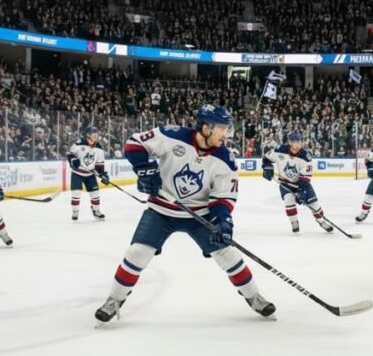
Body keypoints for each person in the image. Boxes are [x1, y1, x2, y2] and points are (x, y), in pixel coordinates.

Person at [94, 106, 275, 324]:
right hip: (161, 209)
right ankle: (115, 299)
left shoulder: (225, 159)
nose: (226, 134)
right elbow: (134, 143)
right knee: (137, 252)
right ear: (206, 128)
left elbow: (224, 197)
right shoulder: (172, 136)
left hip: (200, 215)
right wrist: (144, 168)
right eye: (222, 129)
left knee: (228, 255)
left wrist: (222, 221)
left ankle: (254, 297)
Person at [262, 131, 334, 234]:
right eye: (295, 142)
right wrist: (267, 168)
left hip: (302, 184)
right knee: (289, 201)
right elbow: (266, 158)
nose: (298, 145)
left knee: (314, 204)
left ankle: (321, 221)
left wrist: (302, 192)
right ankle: (294, 222)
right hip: (285, 183)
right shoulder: (280, 150)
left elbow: (305, 178)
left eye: (300, 142)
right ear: (290, 142)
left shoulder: (305, 157)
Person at [66, 125, 108, 221]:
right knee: (76, 193)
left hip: (90, 175)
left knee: (95, 193)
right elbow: (69, 153)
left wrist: (103, 174)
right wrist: (73, 160)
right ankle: (75, 211)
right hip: (77, 173)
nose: (96, 138)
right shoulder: (79, 143)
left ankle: (96, 210)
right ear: (87, 135)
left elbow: (99, 165)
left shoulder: (99, 149)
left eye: (97, 136)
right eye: (94, 136)